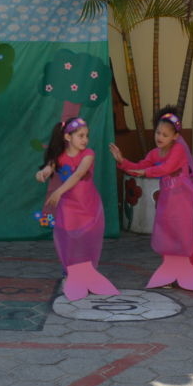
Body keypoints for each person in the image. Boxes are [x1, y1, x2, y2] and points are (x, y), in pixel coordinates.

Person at [110, 108, 193, 291]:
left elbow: (165, 169)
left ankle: (192, 270)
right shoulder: (154, 153)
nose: (160, 137)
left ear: (175, 136)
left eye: (165, 134)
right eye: (158, 132)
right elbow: (138, 167)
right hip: (167, 199)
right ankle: (170, 272)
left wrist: (146, 172)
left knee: (184, 235)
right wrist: (122, 161)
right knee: (168, 234)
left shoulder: (179, 150)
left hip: (183, 199)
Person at [35, 117, 117, 301]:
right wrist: (42, 173)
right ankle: (70, 275)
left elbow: (79, 174)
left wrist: (59, 191)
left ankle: (87, 275)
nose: (85, 139)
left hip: (88, 205)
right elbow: (48, 169)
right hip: (69, 208)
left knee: (87, 240)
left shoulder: (88, 154)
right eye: (80, 136)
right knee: (70, 242)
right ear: (67, 137)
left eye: (86, 136)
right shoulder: (59, 157)